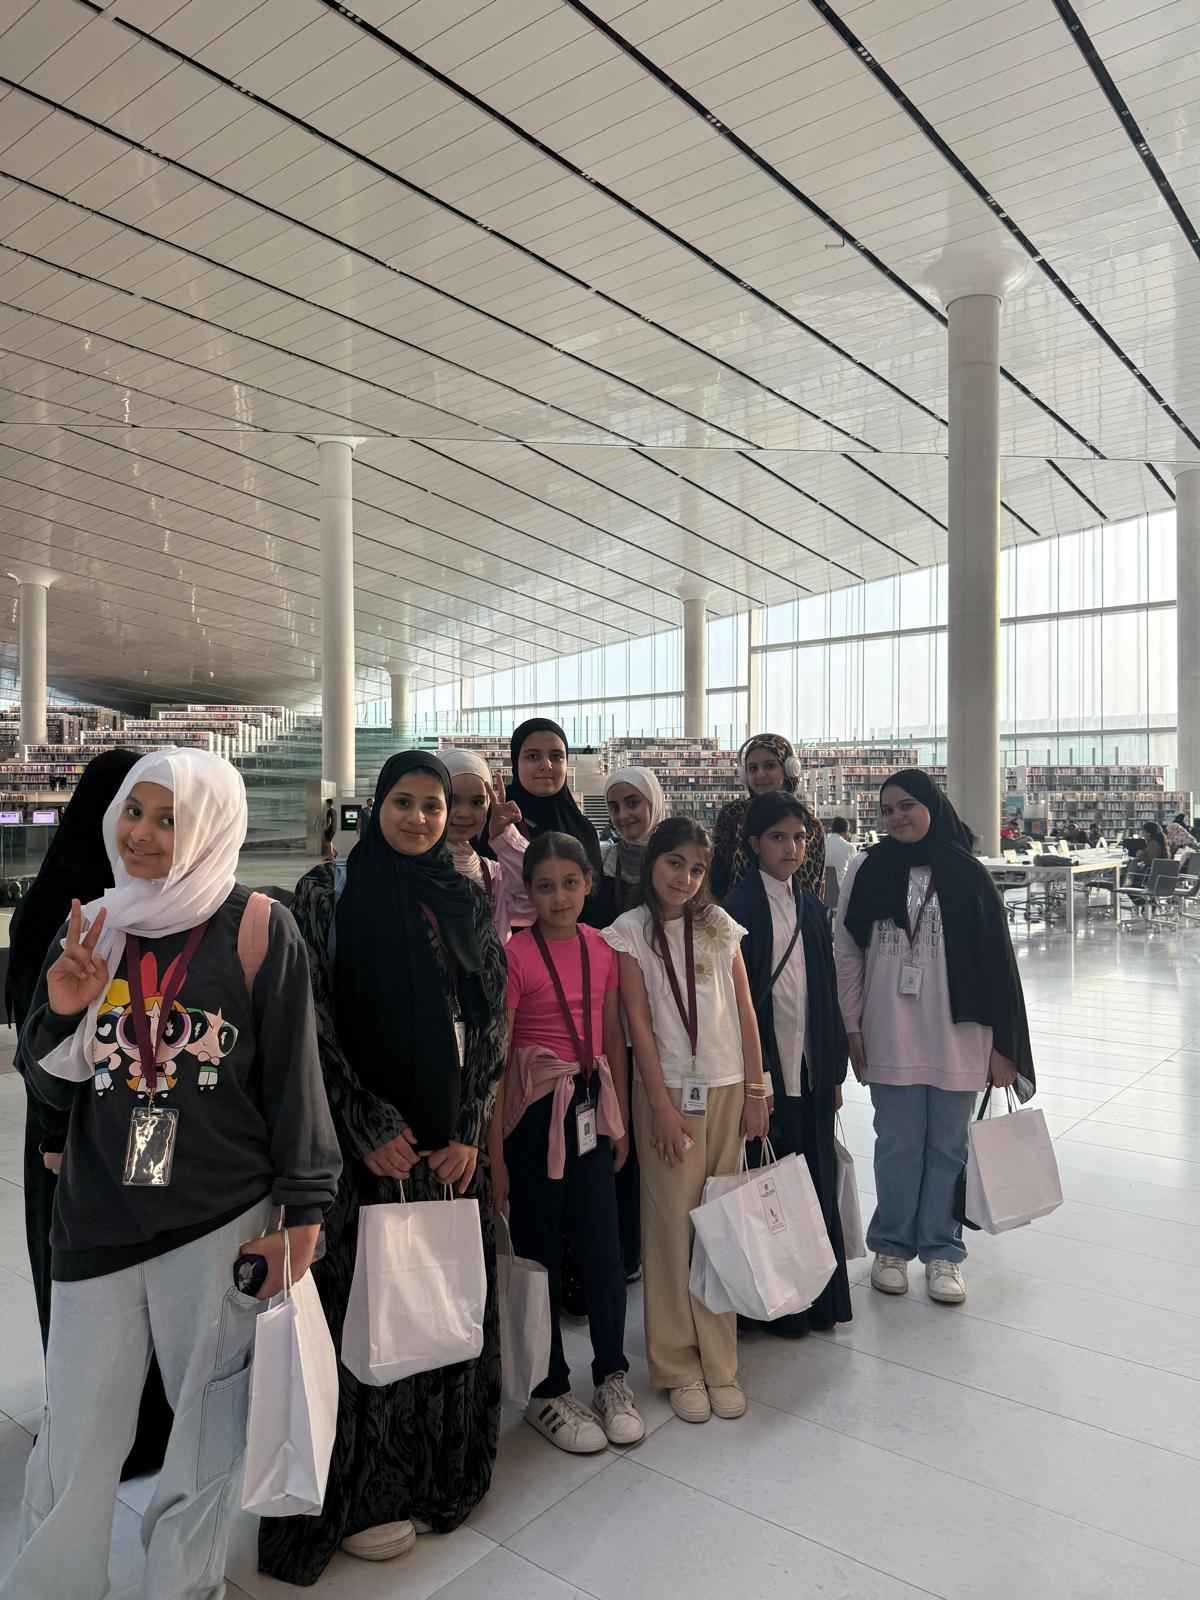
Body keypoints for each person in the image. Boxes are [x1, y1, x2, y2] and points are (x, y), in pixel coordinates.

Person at [4, 749, 339, 1600]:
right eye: (134, 812)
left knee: (204, 1439)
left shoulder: (259, 927)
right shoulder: (93, 926)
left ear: (211, 827)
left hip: (219, 1218)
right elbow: (48, 1084)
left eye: (169, 819)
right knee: (73, 1443)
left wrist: (305, 1213)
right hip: (98, 1216)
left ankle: (184, 1588)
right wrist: (64, 1008)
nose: (143, 835)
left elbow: (295, 1080)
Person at [258, 751, 507, 1583]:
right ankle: (367, 1493)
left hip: (446, 1149)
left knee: (438, 1299)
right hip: (360, 1148)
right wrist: (364, 1120)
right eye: (403, 802)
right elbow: (309, 1020)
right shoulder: (325, 893)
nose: (419, 818)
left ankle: (436, 1476)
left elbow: (492, 1016)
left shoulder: (463, 895)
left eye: (433, 805)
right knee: (364, 1311)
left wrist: (468, 1126)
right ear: (375, 805)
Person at [5, 747, 173, 1484]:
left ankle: (134, 1426)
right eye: (131, 810)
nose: (141, 832)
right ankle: (96, 1429)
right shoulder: (66, 909)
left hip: (136, 1129)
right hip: (69, 1133)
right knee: (85, 1283)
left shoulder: (160, 903)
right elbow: (34, 1033)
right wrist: (54, 1133)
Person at [835, 768, 1035, 1307]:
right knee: (897, 1144)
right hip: (889, 1029)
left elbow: (998, 963)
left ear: (931, 805)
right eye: (888, 809)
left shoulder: (968, 872)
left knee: (948, 1147)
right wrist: (851, 1024)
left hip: (961, 1033)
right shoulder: (867, 868)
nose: (897, 816)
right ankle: (892, 1246)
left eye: (907, 805)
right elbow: (847, 951)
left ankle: (943, 1250)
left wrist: (1003, 1047)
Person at [603, 818, 770, 1425]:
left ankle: (721, 1359)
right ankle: (676, 1363)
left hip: (727, 1086)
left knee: (720, 1223)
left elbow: (746, 1009)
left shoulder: (719, 924)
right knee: (671, 1228)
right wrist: (661, 1108)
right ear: (653, 862)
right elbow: (638, 1027)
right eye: (674, 863)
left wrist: (757, 1088)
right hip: (668, 1093)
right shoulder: (628, 932)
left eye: (697, 868)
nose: (685, 878)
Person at [491, 832, 644, 1454]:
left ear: (589, 884)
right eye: (545, 887)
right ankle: (547, 1386)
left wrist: (619, 1119)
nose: (559, 897)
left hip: (590, 1109)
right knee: (540, 1252)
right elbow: (499, 1061)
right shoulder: (514, 955)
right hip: (534, 1117)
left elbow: (610, 1038)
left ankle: (611, 1375)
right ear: (527, 892)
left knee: (604, 1248)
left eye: (570, 884)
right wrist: (496, 1152)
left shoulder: (601, 948)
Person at [724, 792, 851, 1336]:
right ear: (755, 843)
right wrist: (755, 1080)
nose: (791, 848)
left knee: (813, 1178)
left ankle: (816, 1300)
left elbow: (827, 992)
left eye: (799, 838)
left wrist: (835, 1071)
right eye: (778, 837)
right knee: (771, 1184)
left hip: (811, 1068)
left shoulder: (811, 907)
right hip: (765, 1074)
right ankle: (772, 1304)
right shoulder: (736, 909)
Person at [594, 765, 666, 1278]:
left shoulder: (676, 859)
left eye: (633, 803)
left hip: (668, 1013)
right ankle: (626, 1245)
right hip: (616, 1013)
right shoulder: (604, 863)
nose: (624, 816)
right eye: (616, 807)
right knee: (622, 1124)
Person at [710, 733, 825, 900]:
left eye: (769, 766)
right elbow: (718, 877)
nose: (760, 774)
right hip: (738, 912)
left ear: (788, 770)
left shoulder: (810, 825)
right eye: (753, 768)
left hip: (796, 913)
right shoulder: (733, 815)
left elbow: (813, 889)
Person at [440, 747, 529, 940]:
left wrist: (506, 837)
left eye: (477, 802)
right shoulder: (415, 866)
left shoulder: (491, 873)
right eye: (453, 800)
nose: (464, 813)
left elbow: (530, 906)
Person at [507, 718, 603, 881]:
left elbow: (595, 892)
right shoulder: (494, 823)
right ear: (516, 763)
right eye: (533, 756)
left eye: (556, 756)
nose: (546, 765)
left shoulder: (583, 830)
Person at [823, 816, 854, 894]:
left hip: (822, 892)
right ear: (846, 831)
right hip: (842, 892)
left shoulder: (822, 845)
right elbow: (854, 872)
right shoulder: (849, 847)